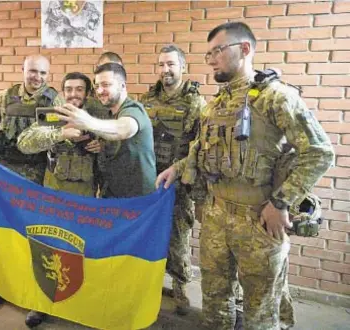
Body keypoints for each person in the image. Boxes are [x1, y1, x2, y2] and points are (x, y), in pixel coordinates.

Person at [156, 22, 334, 329]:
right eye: (208, 53)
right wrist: (177, 168)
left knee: (261, 312)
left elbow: (319, 152)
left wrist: (280, 203)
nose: (211, 59)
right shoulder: (216, 104)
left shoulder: (275, 97)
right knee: (214, 301)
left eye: (218, 51)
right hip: (215, 216)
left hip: (259, 221)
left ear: (245, 49)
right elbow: (201, 150)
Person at [0, 55, 64, 311]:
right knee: (4, 231)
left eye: (43, 73)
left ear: (49, 75)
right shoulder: (4, 97)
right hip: (6, 174)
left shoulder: (53, 100)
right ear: (23, 70)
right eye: (33, 71)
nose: (37, 77)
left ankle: (37, 292)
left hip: (39, 176)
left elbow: (58, 136)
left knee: (37, 235)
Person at [17, 72, 102, 327]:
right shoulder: (52, 114)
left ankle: (78, 301)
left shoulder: (99, 116)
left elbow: (120, 146)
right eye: (68, 89)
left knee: (81, 251)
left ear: (87, 93)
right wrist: (60, 134)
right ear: (62, 92)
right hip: (53, 196)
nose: (73, 94)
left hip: (85, 198)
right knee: (47, 249)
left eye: (79, 89)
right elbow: (25, 143)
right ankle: (41, 303)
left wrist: (103, 147)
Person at [140, 44, 207, 315]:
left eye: (171, 64)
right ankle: (151, 285)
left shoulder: (195, 103)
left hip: (179, 183)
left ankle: (180, 288)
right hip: (149, 182)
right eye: (161, 64)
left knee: (178, 238)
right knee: (149, 236)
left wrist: (181, 171)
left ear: (182, 67)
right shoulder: (146, 100)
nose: (165, 70)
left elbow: (200, 145)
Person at [56, 63, 156, 198]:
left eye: (106, 85)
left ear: (122, 85)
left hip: (137, 200)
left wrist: (87, 122)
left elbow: (124, 129)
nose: (99, 91)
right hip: (113, 195)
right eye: (97, 86)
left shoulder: (133, 109)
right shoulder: (109, 113)